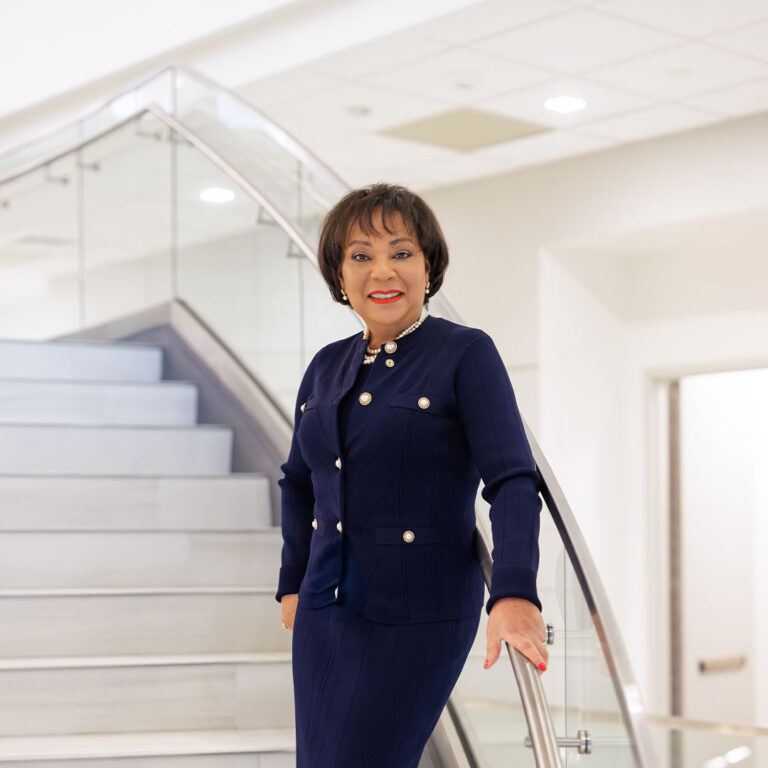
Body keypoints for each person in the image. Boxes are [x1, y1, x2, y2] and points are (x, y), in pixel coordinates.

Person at [274, 183, 548, 768]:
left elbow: (513, 480)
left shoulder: (465, 353)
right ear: (338, 273)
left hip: (416, 614)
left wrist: (516, 591)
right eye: (360, 255)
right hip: (324, 614)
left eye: (401, 252)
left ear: (429, 265)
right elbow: (298, 481)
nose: (382, 271)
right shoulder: (326, 365)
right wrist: (293, 581)